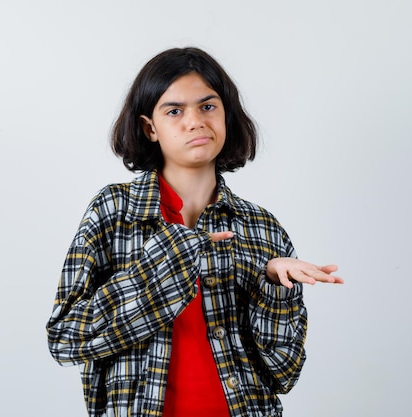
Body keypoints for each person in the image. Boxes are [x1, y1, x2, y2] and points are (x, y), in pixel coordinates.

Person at [46, 47, 343, 417]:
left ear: (227, 116)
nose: (194, 121)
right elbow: (65, 339)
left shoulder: (261, 227)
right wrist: (165, 267)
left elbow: (284, 372)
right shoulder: (113, 211)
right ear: (149, 128)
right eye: (174, 111)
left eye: (208, 106)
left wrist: (272, 288)